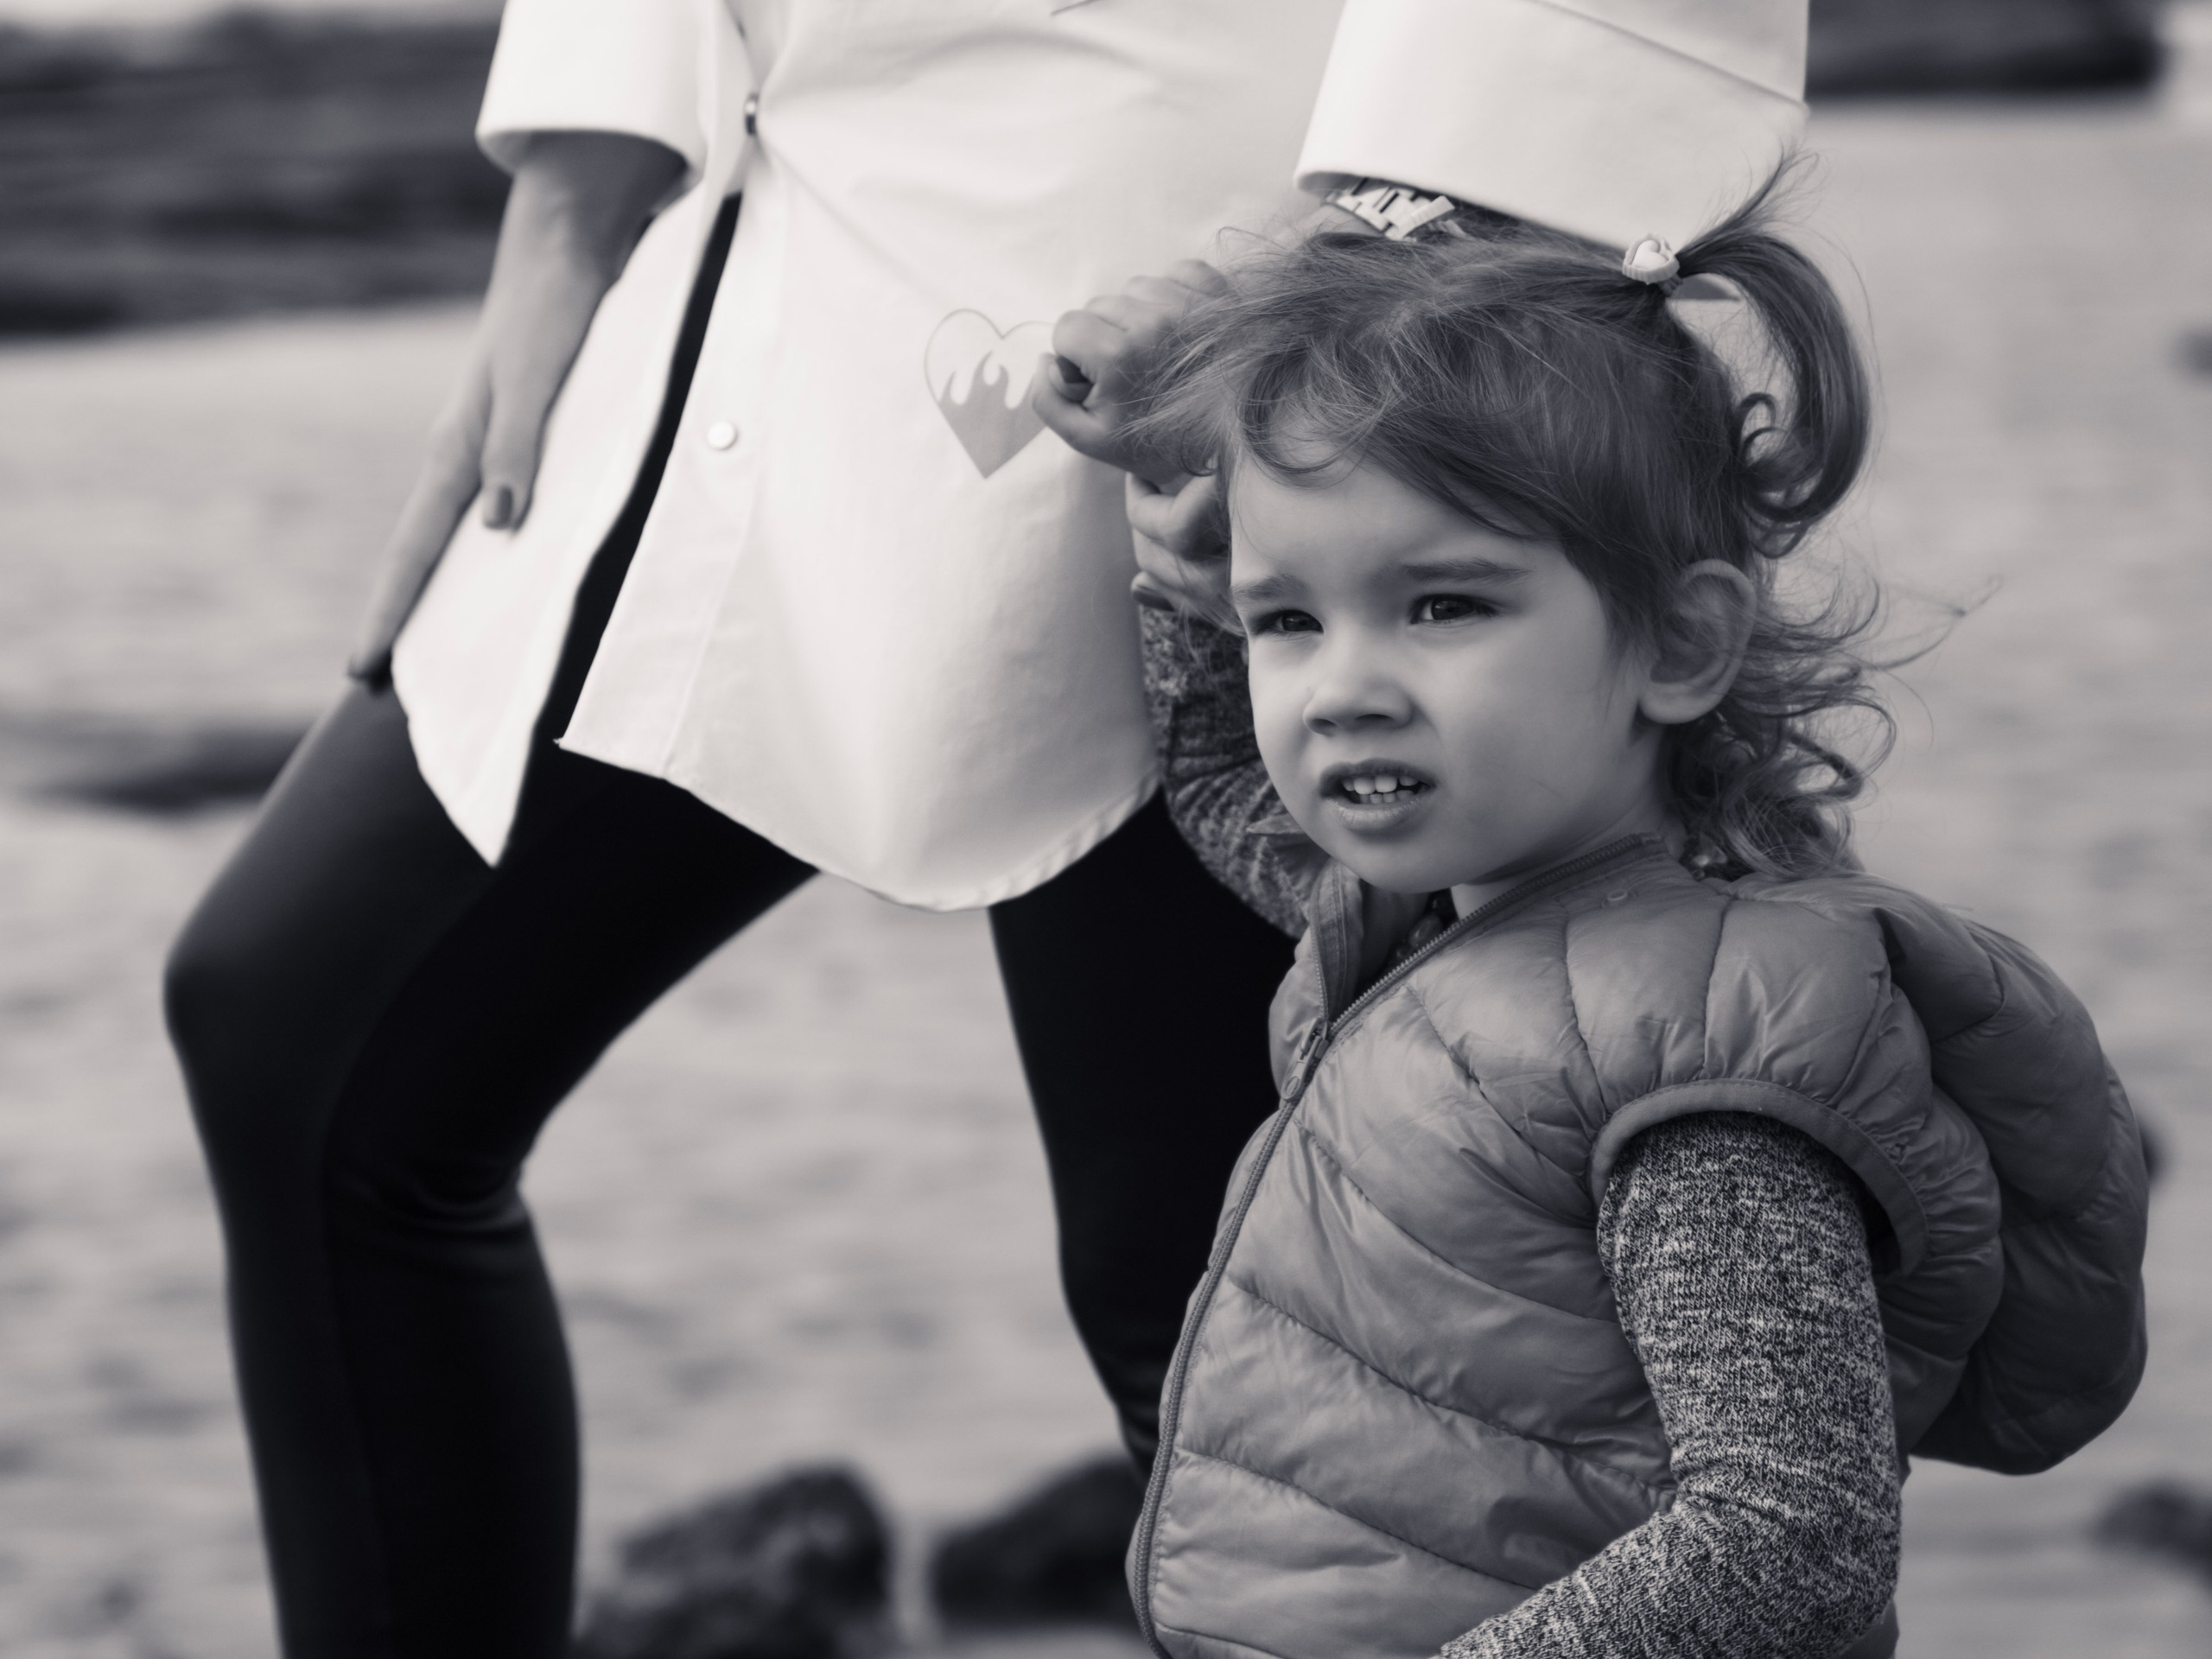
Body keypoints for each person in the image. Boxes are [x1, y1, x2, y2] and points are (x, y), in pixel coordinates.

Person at [162, 2, 1834, 1655]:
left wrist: (1383, 231)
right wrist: (577, 166)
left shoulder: (1732, 1090)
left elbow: (1793, 1540)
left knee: (1244, 1309)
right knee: (299, 1034)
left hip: (1233, 280)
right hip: (740, 251)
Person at [1074, 182, 2150, 1659]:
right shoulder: (1414, 934)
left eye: (1445, 605)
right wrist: (1182, 574)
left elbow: (1790, 1542)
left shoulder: (1695, 1070)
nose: (1346, 686)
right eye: (1291, 621)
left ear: (1682, 639)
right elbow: (1220, 785)